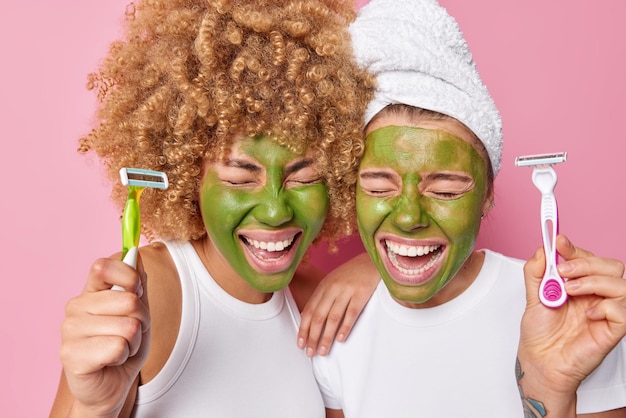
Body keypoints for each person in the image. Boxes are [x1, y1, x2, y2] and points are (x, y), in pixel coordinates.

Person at [49, 0, 374, 416]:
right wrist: (95, 406)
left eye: (304, 177)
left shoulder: (322, 303)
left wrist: (379, 275)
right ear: (187, 173)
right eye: (240, 178)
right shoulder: (143, 297)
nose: (275, 211)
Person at [306, 0, 626, 416]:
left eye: (445, 190)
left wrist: (551, 389)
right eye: (379, 185)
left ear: (488, 194)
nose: (408, 217)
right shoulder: (335, 327)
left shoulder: (568, 318)